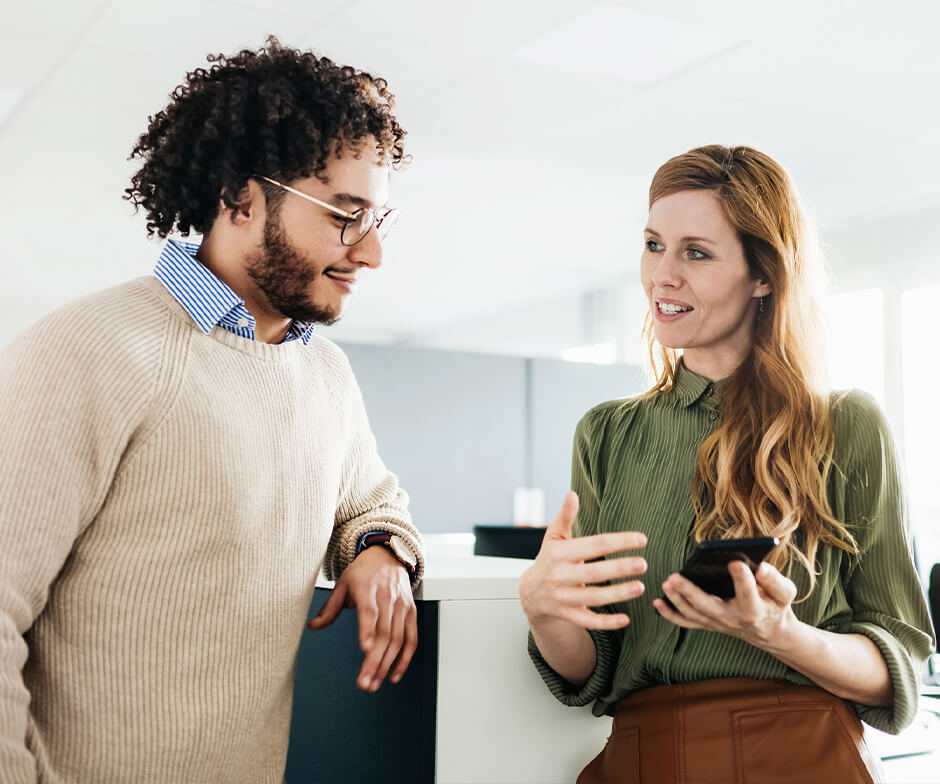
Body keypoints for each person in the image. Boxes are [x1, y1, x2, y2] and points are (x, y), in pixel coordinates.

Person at [0, 38, 424, 784]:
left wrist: (378, 550)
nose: (372, 254)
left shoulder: (326, 375)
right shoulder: (85, 349)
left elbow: (371, 500)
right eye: (344, 215)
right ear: (239, 196)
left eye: (378, 220)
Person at [519, 145, 936, 783]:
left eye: (697, 252)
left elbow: (897, 666)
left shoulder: (846, 426)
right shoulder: (606, 433)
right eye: (654, 245)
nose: (662, 275)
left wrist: (778, 632)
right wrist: (547, 611)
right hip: (641, 757)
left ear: (763, 275)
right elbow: (592, 669)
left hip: (802, 757)